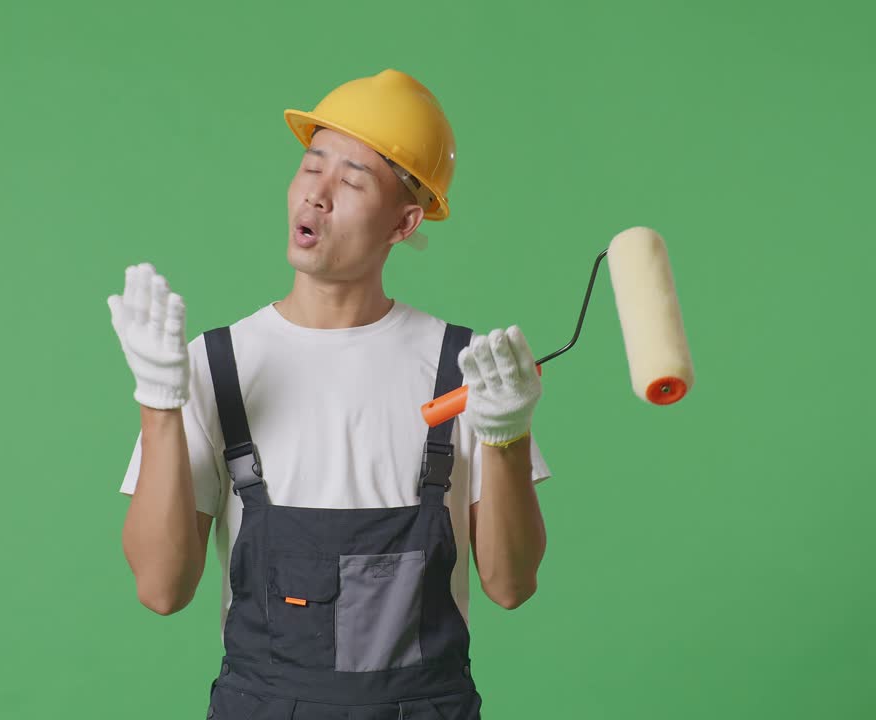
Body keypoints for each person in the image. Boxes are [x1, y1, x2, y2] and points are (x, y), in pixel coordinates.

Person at [108, 69, 551, 719]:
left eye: (352, 180)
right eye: (312, 166)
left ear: (404, 222)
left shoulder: (466, 372)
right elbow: (160, 588)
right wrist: (158, 401)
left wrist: (506, 434)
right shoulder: (213, 366)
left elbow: (511, 586)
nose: (317, 193)